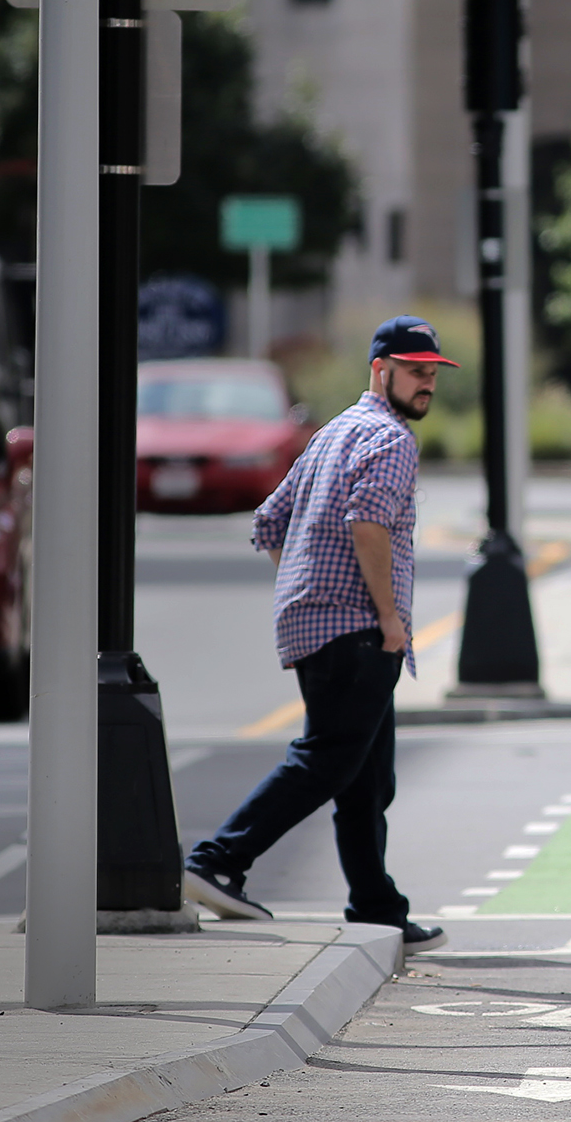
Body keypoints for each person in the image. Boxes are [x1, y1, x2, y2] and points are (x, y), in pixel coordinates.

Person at [182, 316, 456, 949]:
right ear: (379, 370)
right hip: (359, 631)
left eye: (432, 375)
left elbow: (269, 521)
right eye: (415, 372)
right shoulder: (389, 441)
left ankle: (376, 905)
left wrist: (303, 588)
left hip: (318, 627)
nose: (426, 386)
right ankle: (218, 859)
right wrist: (388, 617)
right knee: (329, 758)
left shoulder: (333, 432)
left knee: (366, 776)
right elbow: (368, 526)